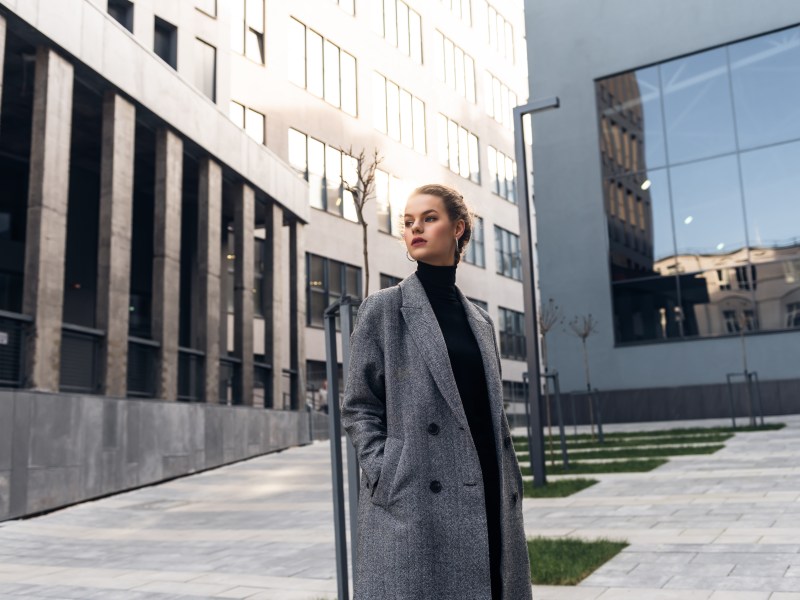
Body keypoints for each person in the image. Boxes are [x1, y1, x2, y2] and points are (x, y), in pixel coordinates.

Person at [341, 183, 532, 599]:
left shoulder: (480, 321)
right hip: (415, 496)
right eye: (408, 222)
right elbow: (358, 407)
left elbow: (489, 414)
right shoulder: (384, 309)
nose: (416, 228)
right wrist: (388, 470)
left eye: (429, 218)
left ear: (458, 228)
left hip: (487, 487)